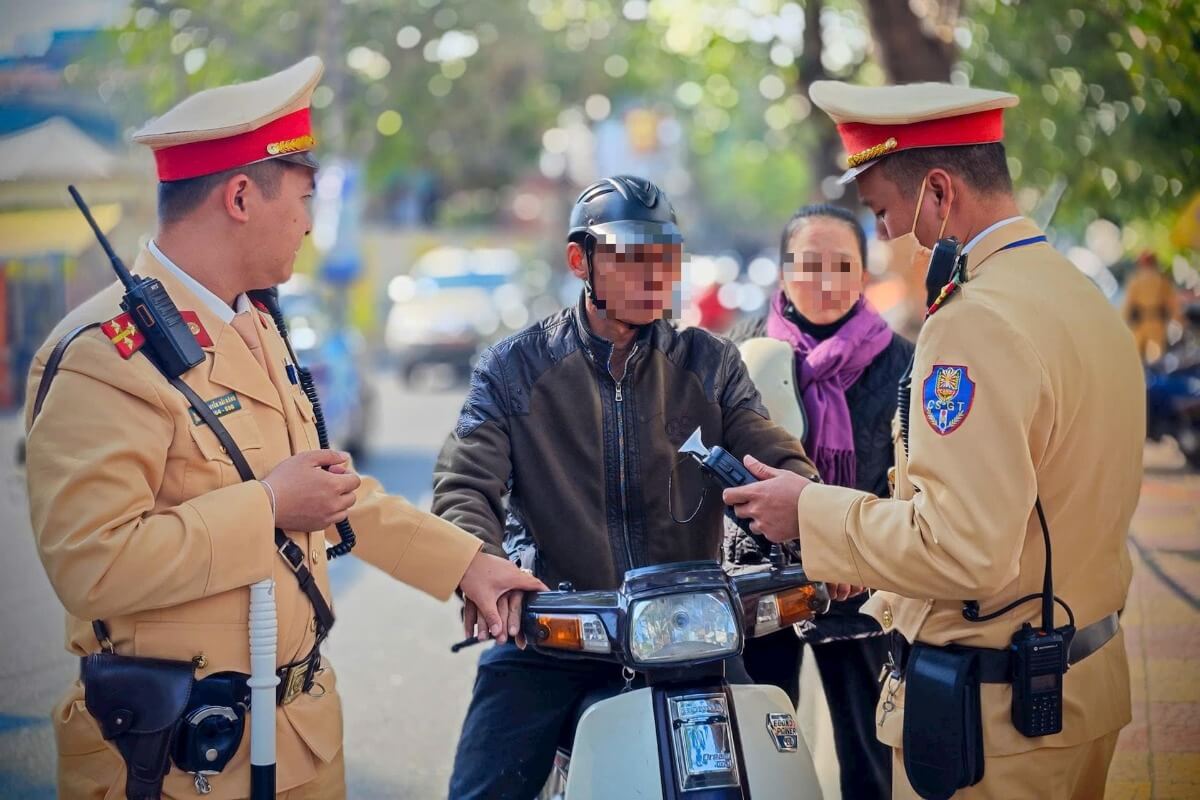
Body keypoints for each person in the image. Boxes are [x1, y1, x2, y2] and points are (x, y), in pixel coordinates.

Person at [23, 56, 542, 800]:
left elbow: (326, 492)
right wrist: (266, 507)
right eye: (302, 197)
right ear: (240, 196)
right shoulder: (105, 356)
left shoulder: (253, 324)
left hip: (296, 739)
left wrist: (465, 564)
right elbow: (92, 565)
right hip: (174, 761)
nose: (307, 222)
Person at [724, 81, 1144, 799]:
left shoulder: (973, 321)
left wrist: (812, 511)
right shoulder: (1076, 295)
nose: (889, 236)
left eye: (886, 210)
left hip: (997, 720)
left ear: (940, 192)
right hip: (1079, 685)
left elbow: (964, 547)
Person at [432, 175, 817, 799]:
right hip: (556, 629)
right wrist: (476, 557)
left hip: (689, 634)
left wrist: (819, 518)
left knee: (774, 781)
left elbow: (771, 455)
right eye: (632, 256)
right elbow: (464, 482)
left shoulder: (710, 363)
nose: (653, 273)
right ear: (580, 260)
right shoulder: (513, 369)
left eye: (664, 257)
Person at [726, 203, 912, 798]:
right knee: (763, 750)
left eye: (842, 266)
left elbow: (913, 480)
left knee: (868, 753)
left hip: (861, 584)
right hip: (761, 584)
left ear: (864, 274)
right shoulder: (737, 355)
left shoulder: (904, 364)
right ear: (781, 273)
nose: (826, 283)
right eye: (809, 266)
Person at [1122, 250, 1180, 362]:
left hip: (1147, 323)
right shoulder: (1161, 281)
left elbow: (1127, 305)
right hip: (1150, 322)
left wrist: (1124, 322)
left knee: (1143, 358)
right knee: (1150, 358)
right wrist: (1177, 319)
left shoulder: (1137, 281)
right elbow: (1173, 304)